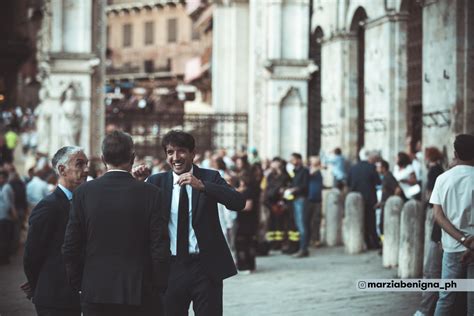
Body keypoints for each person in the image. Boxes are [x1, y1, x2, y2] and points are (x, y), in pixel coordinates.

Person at [135, 130, 245, 316]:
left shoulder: (210, 177)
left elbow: (238, 202)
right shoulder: (156, 181)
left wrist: (203, 187)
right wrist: (136, 184)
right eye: (170, 152)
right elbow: (135, 215)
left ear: (193, 154)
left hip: (205, 266)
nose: (176, 157)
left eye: (181, 151)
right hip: (170, 267)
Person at [62, 131, 170, 316]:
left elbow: (71, 245)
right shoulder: (152, 193)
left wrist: (80, 282)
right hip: (140, 291)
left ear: (103, 159)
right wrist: (158, 285)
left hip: (95, 290)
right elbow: (159, 246)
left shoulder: (83, 193)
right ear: (133, 157)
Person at [23, 146, 89, 316]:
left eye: (86, 164)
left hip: (79, 297)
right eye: (80, 164)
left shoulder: (85, 202)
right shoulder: (48, 206)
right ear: (62, 170)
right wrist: (37, 284)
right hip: (55, 297)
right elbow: (32, 255)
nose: (86, 170)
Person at [430, 134, 474, 315]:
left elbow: (438, 216)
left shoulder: (442, 179)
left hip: (452, 247)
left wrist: (462, 239)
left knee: (446, 297)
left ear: (455, 153)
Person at [347, 149, 381, 249]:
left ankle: (364, 242)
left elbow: (348, 183)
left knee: (359, 222)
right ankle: (373, 243)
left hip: (355, 199)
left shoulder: (353, 168)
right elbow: (378, 182)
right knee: (371, 222)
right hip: (369, 199)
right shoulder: (371, 167)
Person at [287, 153, 310, 258]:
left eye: (293, 159)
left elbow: (304, 186)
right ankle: (301, 247)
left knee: (302, 225)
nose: (291, 161)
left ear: (299, 160)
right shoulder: (295, 172)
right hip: (295, 199)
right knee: (298, 223)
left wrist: (295, 189)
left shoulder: (304, 171)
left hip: (301, 199)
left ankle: (303, 249)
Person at [0, 169, 17, 265]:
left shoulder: (6, 188)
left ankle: (5, 258)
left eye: (1, 177)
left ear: (5, 178)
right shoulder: (3, 187)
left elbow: (7, 204)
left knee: (4, 239)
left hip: (5, 217)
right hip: (3, 217)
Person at [307, 156, 323, 247]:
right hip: (310, 199)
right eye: (315, 160)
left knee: (316, 220)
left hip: (317, 199)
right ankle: (309, 239)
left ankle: (316, 239)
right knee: (308, 220)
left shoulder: (318, 172)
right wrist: (318, 168)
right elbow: (310, 174)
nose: (317, 161)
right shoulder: (309, 170)